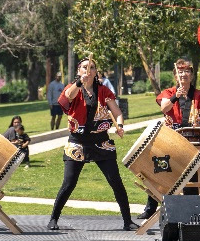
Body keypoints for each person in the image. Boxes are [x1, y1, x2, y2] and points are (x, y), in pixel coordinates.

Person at [48, 57, 138, 231]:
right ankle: (53, 218)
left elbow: (117, 112)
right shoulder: (72, 88)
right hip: (78, 143)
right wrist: (79, 83)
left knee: (115, 181)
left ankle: (128, 221)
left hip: (101, 142)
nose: (88, 70)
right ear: (79, 71)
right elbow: (68, 97)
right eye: (84, 67)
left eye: (92, 68)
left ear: (96, 72)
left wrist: (119, 125)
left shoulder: (103, 91)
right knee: (69, 183)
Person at [138, 58, 200, 220]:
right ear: (175, 75)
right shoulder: (168, 93)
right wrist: (176, 96)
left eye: (187, 71)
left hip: (193, 137)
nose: (184, 74)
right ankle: (151, 207)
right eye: (180, 72)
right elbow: (164, 108)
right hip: (172, 138)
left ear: (192, 75)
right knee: (160, 169)